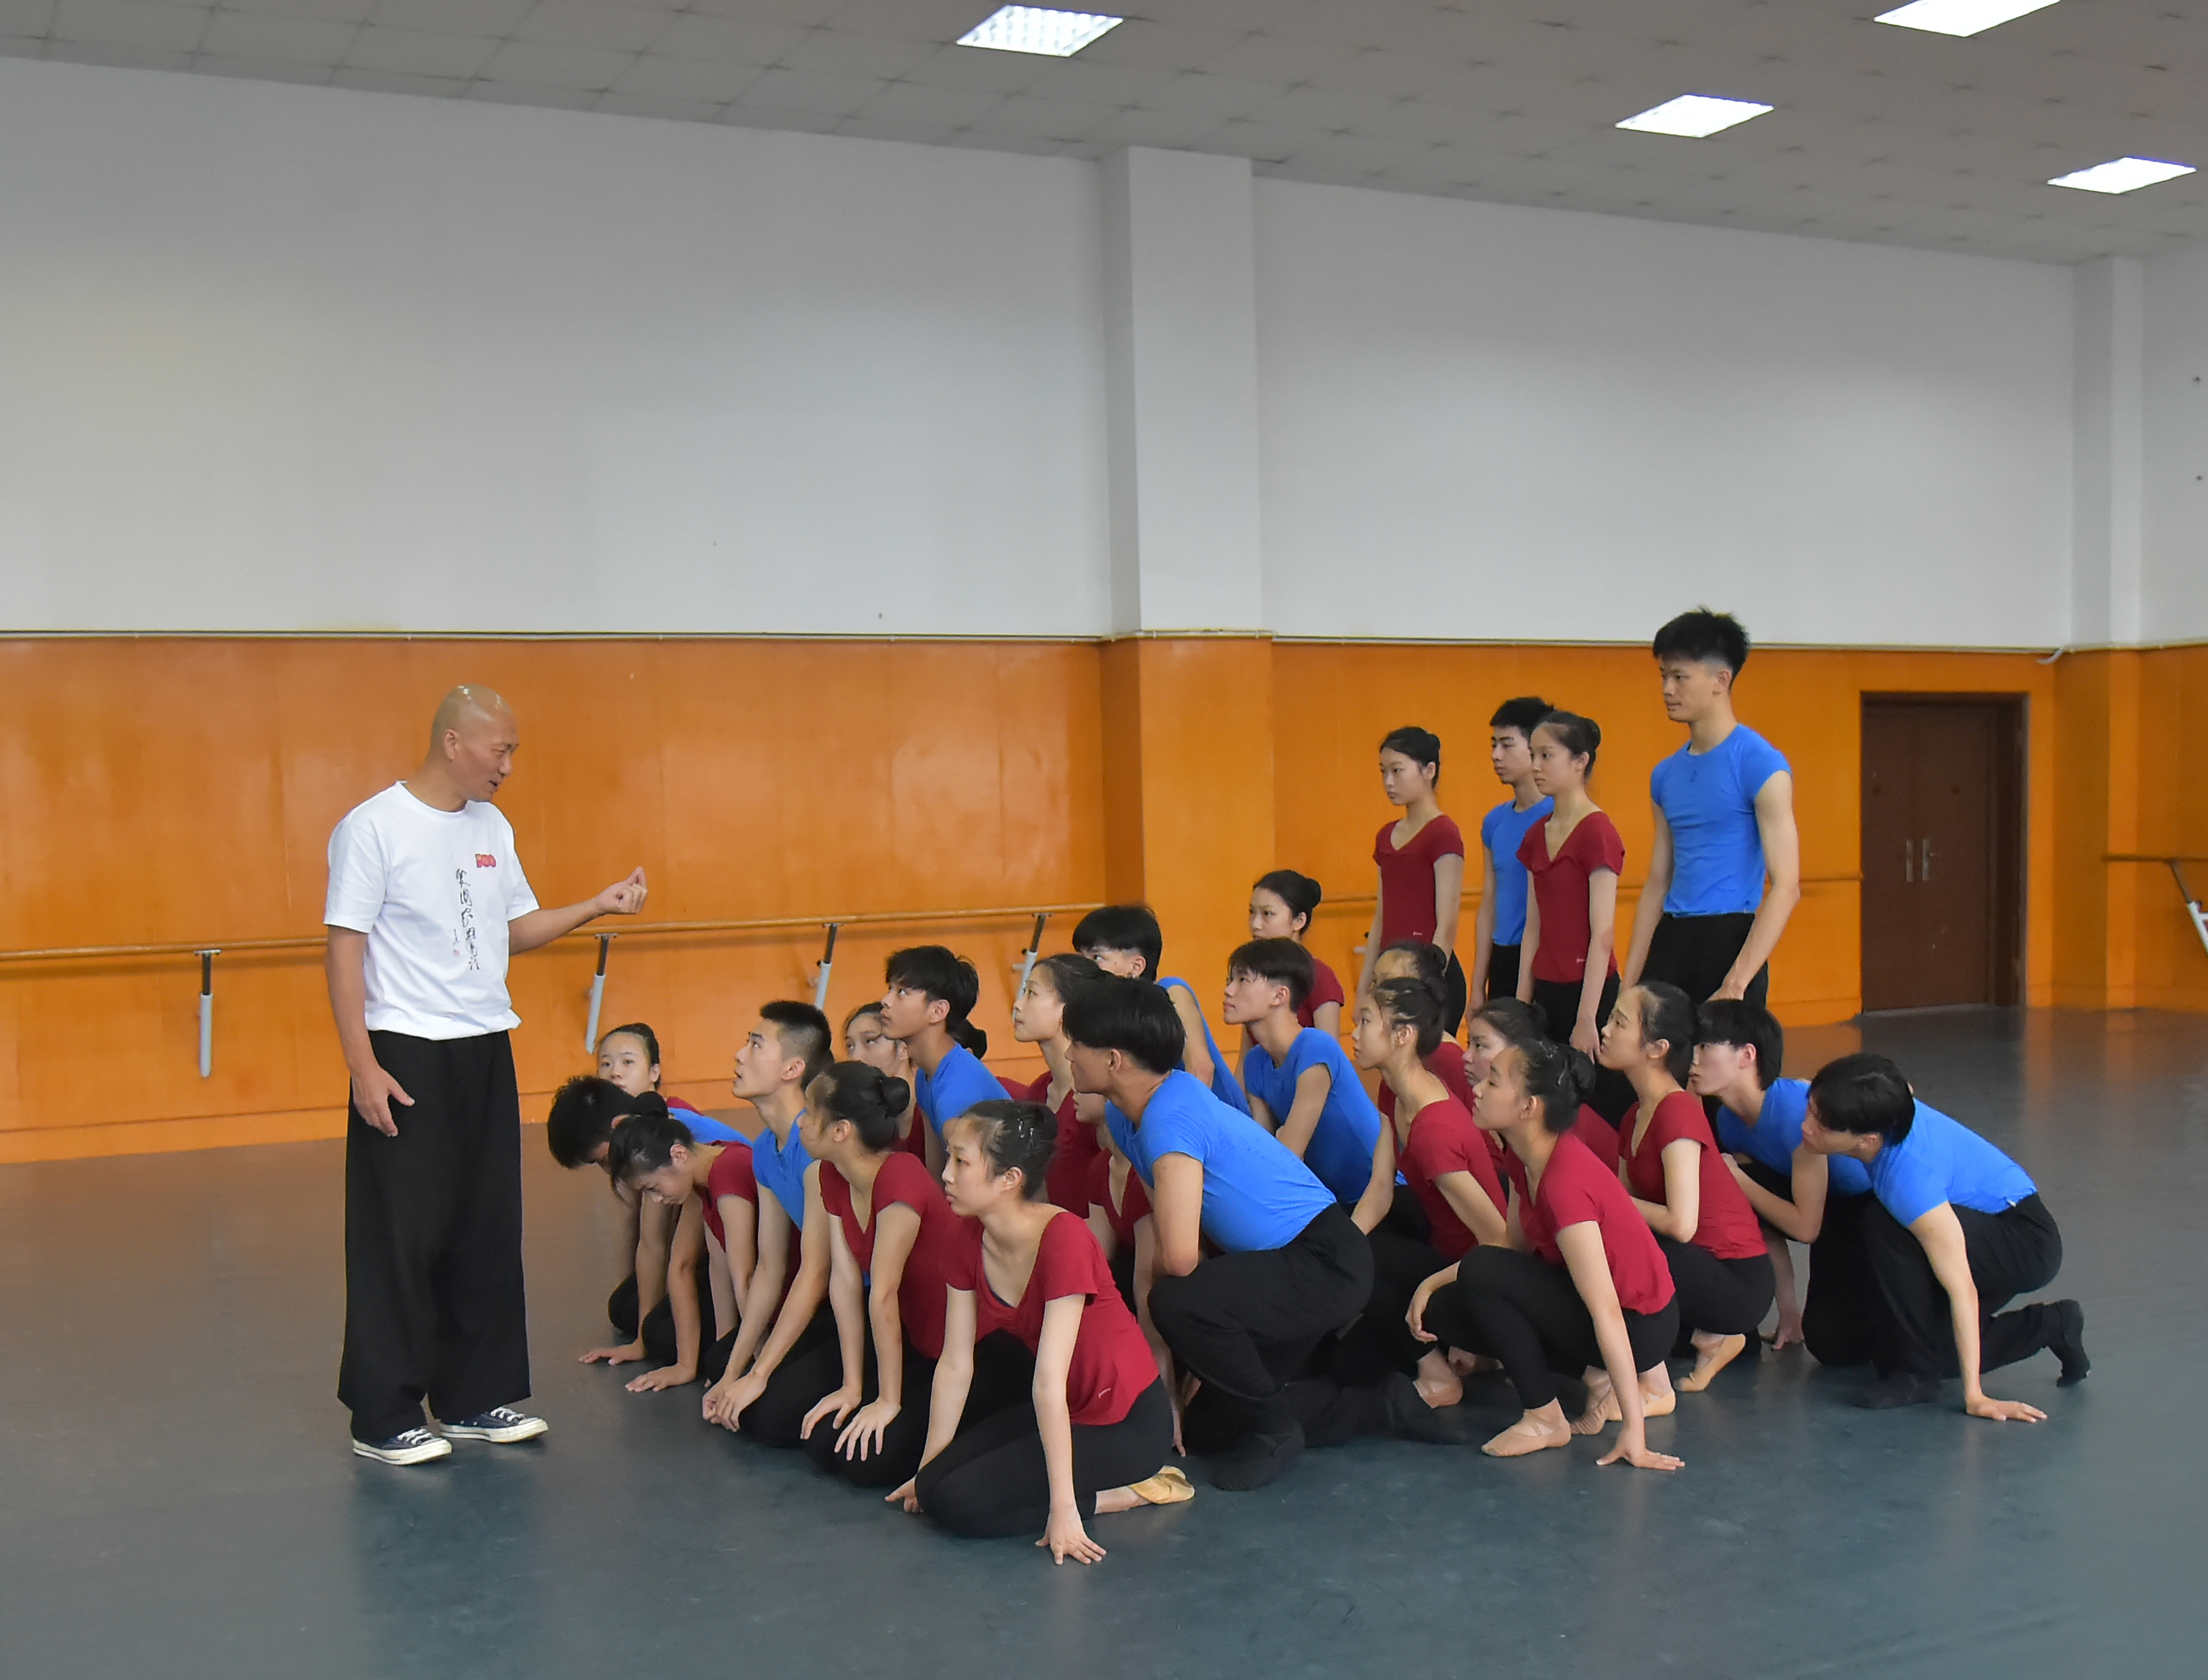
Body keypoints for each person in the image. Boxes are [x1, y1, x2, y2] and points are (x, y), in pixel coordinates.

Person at [325, 682, 647, 1466]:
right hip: (406, 1049)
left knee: (485, 1228)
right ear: (453, 742)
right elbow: (344, 948)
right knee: (402, 1234)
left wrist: (596, 905)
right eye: (500, 749)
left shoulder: (492, 827)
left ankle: (471, 1397)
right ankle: (383, 1414)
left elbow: (512, 930)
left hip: (484, 1046)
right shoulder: (373, 827)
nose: (508, 764)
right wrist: (362, 1064)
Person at [1067, 977, 1371, 1491]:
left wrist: (1189, 1331)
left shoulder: (1169, 1118)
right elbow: (1163, 1237)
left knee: (1179, 1302)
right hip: (1276, 1263)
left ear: (1114, 1060)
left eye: (1077, 1044)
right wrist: (1166, 1375)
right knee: (1209, 1428)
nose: (1069, 1054)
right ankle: (1381, 1405)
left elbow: (1180, 1259)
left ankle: (1277, 1433)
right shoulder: (1126, 1114)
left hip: (1323, 1261)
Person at [894, 1101, 1188, 1561]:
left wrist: (1065, 1508)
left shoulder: (1064, 1238)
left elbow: (1048, 1380)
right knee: (933, 1487)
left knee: (960, 1506)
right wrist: (927, 1469)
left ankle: (1123, 1493)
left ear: (1010, 1179)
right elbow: (955, 1363)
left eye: (961, 1162)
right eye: (949, 1158)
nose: (946, 1175)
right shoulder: (965, 1237)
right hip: (1068, 1411)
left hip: (1126, 1422)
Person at [1413, 1026, 1683, 1470]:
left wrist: (1635, 1435)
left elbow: (1607, 1310)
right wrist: (1431, 1284)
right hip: (1603, 1309)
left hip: (1641, 1327)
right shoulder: (1524, 1157)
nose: (1476, 1090)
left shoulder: (1564, 1184)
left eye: (1493, 1081)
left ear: (1528, 1107)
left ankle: (1545, 1417)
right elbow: (1512, 1247)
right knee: (1444, 1309)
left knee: (1482, 1269)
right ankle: (1589, 1379)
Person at [1801, 1054, 2087, 1415]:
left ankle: (1918, 1377)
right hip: (1977, 1220)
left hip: (2023, 1242)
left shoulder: (1909, 1183)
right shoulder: (1890, 1106)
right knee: (1921, 1345)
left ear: (1867, 1140)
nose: (1806, 1127)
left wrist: (1975, 1398)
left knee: (1883, 1222)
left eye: (1822, 1124)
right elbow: (1903, 1086)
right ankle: (2052, 1326)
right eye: (1810, 1109)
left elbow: (1961, 1288)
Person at [786, 1063, 968, 1489]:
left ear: (841, 1131)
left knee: (865, 1461)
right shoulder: (832, 1174)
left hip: (966, 1349)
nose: (801, 1122)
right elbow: (845, 1282)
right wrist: (852, 1386)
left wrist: (888, 1400)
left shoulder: (900, 1175)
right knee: (823, 1441)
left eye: (810, 1112)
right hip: (920, 1343)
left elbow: (882, 1293)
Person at [1329, 977, 1508, 1411]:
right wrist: (1334, 1248)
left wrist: (1433, 1287)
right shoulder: (1394, 1091)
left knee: (1364, 1258)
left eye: (1366, 1022)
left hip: (1475, 1273)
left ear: (1403, 1035)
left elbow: (1499, 1242)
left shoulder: (1434, 1131)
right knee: (1344, 1245)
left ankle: (1439, 1375)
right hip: (1441, 1246)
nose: (1354, 1033)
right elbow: (1380, 1188)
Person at [1598, 982, 1775, 1393]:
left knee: (1625, 1241)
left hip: (1736, 1281)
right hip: (1694, 1266)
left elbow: (1681, 1224)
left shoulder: (1677, 1110)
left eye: (1619, 1023)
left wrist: (1607, 1200)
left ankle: (1677, 1359)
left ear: (1656, 1048)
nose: (1605, 1030)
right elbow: (1628, 1207)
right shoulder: (1634, 1116)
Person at [1622, 610, 1802, 1008]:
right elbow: (1658, 880)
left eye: (1680, 677)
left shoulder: (1760, 764)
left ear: (1721, 680)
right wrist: (1629, 983)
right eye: (1664, 676)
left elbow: (1786, 887)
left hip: (1729, 940)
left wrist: (1736, 983)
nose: (1667, 689)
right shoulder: (1665, 775)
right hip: (1671, 939)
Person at [1691, 999, 1876, 1362]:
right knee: (1826, 1339)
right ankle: (1792, 1320)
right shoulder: (1729, 1120)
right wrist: (1789, 1311)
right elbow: (1758, 1217)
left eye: (1704, 1047)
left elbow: (1806, 1228)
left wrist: (1736, 1179)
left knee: (1841, 1343)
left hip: (1870, 1210)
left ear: (1747, 1056)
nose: (1692, 1060)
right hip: (1829, 1206)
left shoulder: (1796, 1114)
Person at [698, 1002, 838, 1437]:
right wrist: (735, 1371)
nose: (740, 1055)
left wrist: (758, 1375)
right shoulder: (764, 1147)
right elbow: (770, 1266)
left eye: (756, 1045)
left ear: (793, 1069)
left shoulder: (815, 1147)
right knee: (720, 1364)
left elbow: (816, 1271)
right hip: (828, 1300)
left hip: (861, 1304)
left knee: (769, 1415)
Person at [545, 1077, 719, 1381]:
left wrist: (648, 1341)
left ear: (620, 1125)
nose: (609, 1171)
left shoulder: (660, 1146)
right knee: (624, 1306)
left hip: (720, 1256)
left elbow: (663, 1249)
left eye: (604, 1161)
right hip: (707, 1250)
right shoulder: (650, 1128)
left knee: (660, 1335)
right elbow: (651, 1243)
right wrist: (641, 1339)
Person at [1515, 710, 1634, 1124]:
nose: (1535, 766)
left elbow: (1603, 934)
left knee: (1600, 1108)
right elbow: (1533, 928)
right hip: (1547, 989)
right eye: (1533, 755)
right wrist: (1522, 1005)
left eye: (1546, 755)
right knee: (1550, 1108)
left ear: (1580, 761)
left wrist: (1587, 1018)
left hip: (1591, 990)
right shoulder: (1536, 834)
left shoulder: (1597, 831)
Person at [1224, 939, 1386, 1207]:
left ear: (1280, 996)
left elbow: (1288, 1154)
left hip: (1382, 1201)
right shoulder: (1256, 1062)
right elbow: (1264, 1150)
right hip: (1332, 1204)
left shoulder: (1315, 1047)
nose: (1228, 990)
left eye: (1242, 980)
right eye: (1230, 980)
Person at [602, 1106, 750, 1390]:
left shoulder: (728, 1170)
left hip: (783, 1302)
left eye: (653, 1188)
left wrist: (747, 1365)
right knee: (708, 1357)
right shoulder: (703, 1180)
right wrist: (723, 1353)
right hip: (760, 1299)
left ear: (679, 1155)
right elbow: (719, 1268)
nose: (656, 1200)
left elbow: (745, 1276)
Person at [1072, 903, 1250, 1114]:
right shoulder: (1109, 1015)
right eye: (1080, 957)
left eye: (1096, 958)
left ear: (1136, 967)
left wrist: (1174, 1127)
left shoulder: (1172, 991)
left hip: (1208, 1118)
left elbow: (1201, 1069)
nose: (1083, 969)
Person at [1356, 726, 1467, 1034]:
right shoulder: (1386, 836)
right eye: (1383, 772)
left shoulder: (1443, 833)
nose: (1388, 782)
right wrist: (1365, 986)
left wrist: (1426, 989)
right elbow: (1381, 918)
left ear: (1428, 771)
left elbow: (1446, 924)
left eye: (1397, 771)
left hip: (1429, 980)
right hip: (1391, 976)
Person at [880, 946, 1003, 1169]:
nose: (886, 1000)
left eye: (902, 992)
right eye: (890, 989)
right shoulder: (925, 1075)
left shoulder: (955, 1093)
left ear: (938, 1011)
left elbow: (979, 1182)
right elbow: (936, 1173)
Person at [1008, 952, 1108, 1214]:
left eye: (1032, 993)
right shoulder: (1040, 1090)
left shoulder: (1098, 1100)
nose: (1018, 1004)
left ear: (1068, 1008)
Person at [1472, 696, 1554, 1008]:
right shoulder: (1494, 821)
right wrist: (1477, 986)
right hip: (1503, 957)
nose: (1496, 755)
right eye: (1494, 745)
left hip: (1546, 958)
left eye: (1507, 745)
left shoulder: (1558, 816)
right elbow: (1489, 903)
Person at [595, 1021, 746, 1140]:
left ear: (654, 1072)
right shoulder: (614, 1123)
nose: (615, 1073)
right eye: (606, 1064)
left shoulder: (676, 1117)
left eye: (628, 1062)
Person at [1248, 870, 1344, 1034]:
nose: (1255, 924)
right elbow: (1248, 1049)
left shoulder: (1319, 977)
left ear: (1299, 921)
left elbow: (1328, 1048)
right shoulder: (1254, 973)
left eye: (1267, 914)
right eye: (1252, 912)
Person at [843, 1003, 924, 1158]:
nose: (855, 1057)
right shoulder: (860, 1121)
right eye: (850, 1046)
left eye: (870, 1041)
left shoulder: (931, 1109)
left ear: (904, 1047)